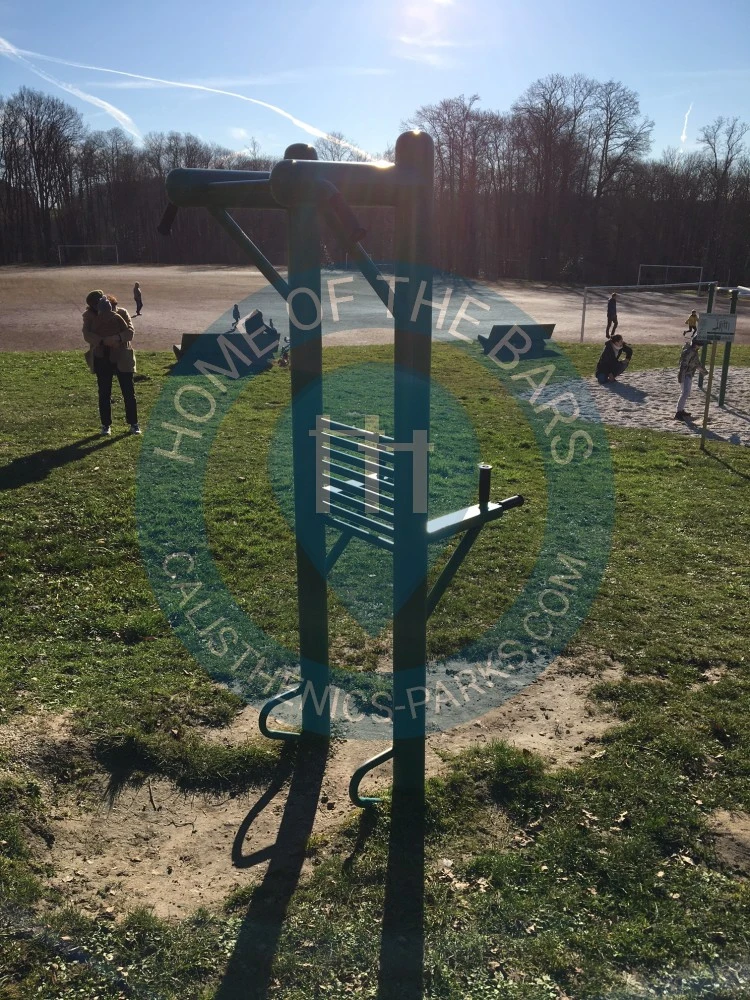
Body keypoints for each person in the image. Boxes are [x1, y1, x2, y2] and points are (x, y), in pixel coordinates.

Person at [82, 289, 140, 435]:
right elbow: (87, 334)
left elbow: (130, 332)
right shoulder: (89, 316)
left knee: (128, 392)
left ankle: (134, 424)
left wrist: (117, 338)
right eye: (94, 305)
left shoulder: (122, 312)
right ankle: (106, 425)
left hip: (122, 357)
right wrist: (101, 341)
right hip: (102, 358)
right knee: (104, 393)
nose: (97, 307)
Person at [675, 335, 708, 421]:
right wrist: (681, 377)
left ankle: (680, 410)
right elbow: (684, 364)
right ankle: (678, 413)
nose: (701, 346)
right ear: (697, 344)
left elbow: (696, 364)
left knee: (686, 393)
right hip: (685, 375)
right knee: (685, 393)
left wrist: (705, 372)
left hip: (688, 375)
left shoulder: (693, 352)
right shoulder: (690, 352)